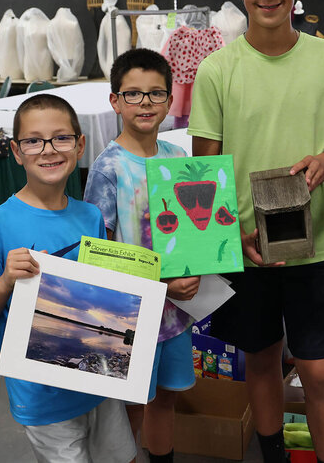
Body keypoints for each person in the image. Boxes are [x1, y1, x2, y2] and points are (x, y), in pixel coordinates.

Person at [188, 0, 324, 463]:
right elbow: (202, 171)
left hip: (316, 244)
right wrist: (229, 234)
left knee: (320, 369)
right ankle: (273, 455)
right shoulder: (218, 69)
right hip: (246, 246)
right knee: (260, 360)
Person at [0, 93, 136, 463]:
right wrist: (5, 281)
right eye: (33, 140)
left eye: (61, 138)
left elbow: (103, 295)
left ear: (80, 145)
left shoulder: (91, 217)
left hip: (99, 378)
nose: (48, 150)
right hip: (41, 392)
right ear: (16, 151)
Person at [84, 48, 199, 463]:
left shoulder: (178, 159)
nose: (146, 102)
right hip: (129, 317)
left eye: (156, 93)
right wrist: (161, 282)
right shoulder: (108, 168)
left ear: (171, 101)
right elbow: (101, 255)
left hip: (175, 312)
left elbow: (191, 236)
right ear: (114, 101)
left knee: (166, 398)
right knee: (130, 406)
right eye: (133, 94)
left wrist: (196, 272)